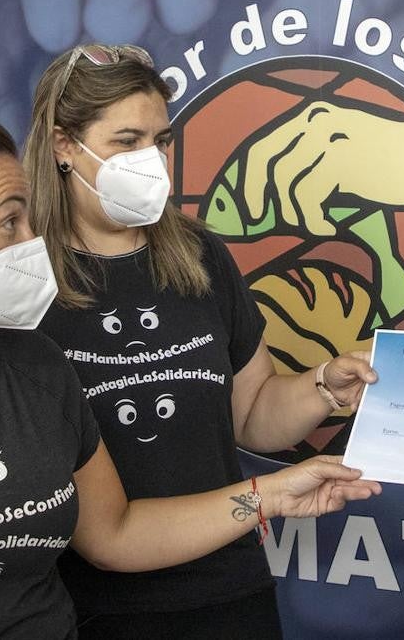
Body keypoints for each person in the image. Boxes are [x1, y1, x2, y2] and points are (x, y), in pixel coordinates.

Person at [0, 108, 381, 638]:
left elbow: (116, 534)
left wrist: (272, 495)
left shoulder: (40, 366)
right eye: (9, 223)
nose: (33, 241)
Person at [22, 43, 384, 638]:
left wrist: (324, 386)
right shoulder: (21, 283)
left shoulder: (199, 256)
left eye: (161, 141)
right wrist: (266, 496)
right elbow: (100, 533)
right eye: (126, 141)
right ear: (64, 145)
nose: (153, 160)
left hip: (230, 591)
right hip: (91, 610)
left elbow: (253, 417)